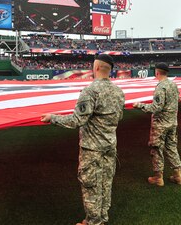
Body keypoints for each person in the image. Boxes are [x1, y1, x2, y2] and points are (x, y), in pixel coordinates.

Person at [41, 54, 125, 225]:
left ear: (95, 68)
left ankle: (94, 221)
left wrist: (53, 118)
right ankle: (101, 218)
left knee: (91, 185)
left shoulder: (90, 91)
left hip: (92, 148)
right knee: (105, 183)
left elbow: (76, 120)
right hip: (110, 145)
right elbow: (119, 116)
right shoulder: (119, 91)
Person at [132, 63, 181, 186]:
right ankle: (178, 176)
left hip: (161, 124)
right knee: (171, 148)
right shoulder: (173, 84)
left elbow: (156, 107)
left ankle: (158, 177)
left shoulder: (161, 87)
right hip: (172, 122)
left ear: (157, 72)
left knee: (157, 149)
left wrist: (139, 105)